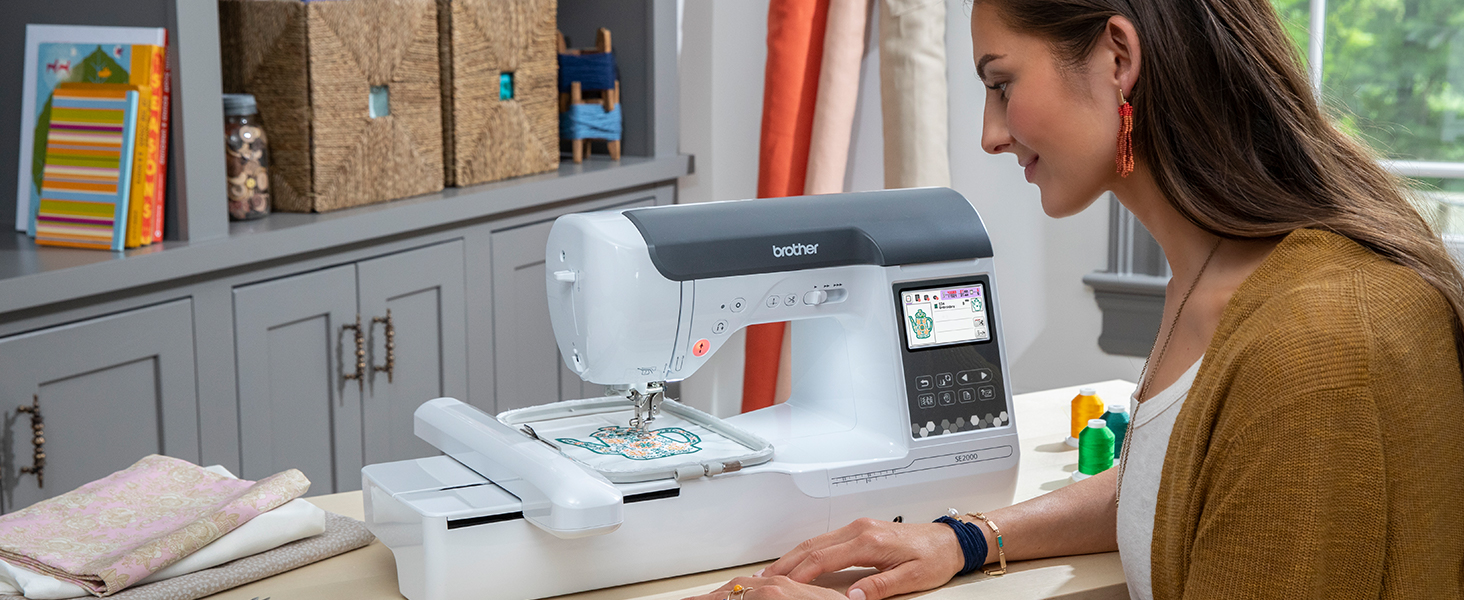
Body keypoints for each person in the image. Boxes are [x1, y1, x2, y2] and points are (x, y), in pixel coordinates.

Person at [687, 0, 1464, 599]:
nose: (991, 134)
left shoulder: (1313, 344)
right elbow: (1180, 489)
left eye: (1002, 84)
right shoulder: (1225, 277)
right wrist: (966, 537)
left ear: (1118, 56)